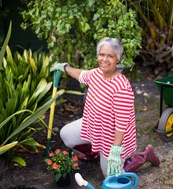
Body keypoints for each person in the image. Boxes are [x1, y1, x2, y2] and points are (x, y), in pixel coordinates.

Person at [50, 37, 160, 177]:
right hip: (94, 127)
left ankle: (143, 156)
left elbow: (121, 125)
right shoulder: (96, 74)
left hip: (113, 139)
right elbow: (81, 75)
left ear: (117, 59)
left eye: (110, 56)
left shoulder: (122, 87)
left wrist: (115, 151)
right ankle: (93, 154)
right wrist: (64, 67)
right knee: (66, 134)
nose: (104, 59)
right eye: (102, 55)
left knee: (111, 176)